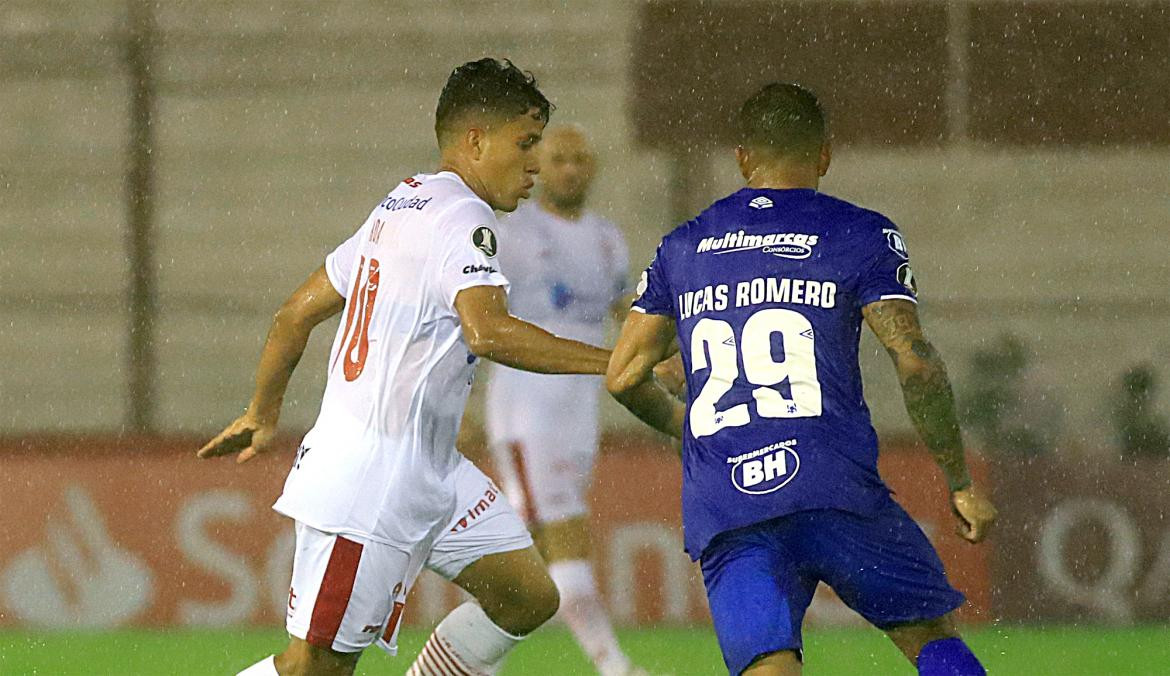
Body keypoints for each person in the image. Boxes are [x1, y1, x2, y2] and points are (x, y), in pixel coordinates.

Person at [197, 58, 614, 676]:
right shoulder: (462, 218)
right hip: (371, 483)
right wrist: (615, 362)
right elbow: (489, 331)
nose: (534, 165)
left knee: (527, 597)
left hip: (434, 473)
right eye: (525, 145)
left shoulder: (403, 203)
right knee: (313, 668)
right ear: (475, 141)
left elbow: (294, 313)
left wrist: (263, 411)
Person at [604, 83, 998, 676]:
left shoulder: (682, 246)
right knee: (931, 643)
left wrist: (688, 427)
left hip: (731, 501)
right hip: (832, 486)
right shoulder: (860, 233)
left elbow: (624, 375)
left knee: (769, 667)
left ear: (742, 157)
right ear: (824, 155)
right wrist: (959, 478)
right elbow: (914, 360)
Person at [484, 124, 642, 675]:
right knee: (558, 536)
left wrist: (659, 356)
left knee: (521, 548)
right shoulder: (512, 233)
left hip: (580, 408)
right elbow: (478, 317)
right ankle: (613, 665)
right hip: (527, 407)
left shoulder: (607, 238)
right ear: (538, 166)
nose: (570, 169)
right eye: (558, 159)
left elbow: (624, 311)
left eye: (580, 158)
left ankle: (472, 666)